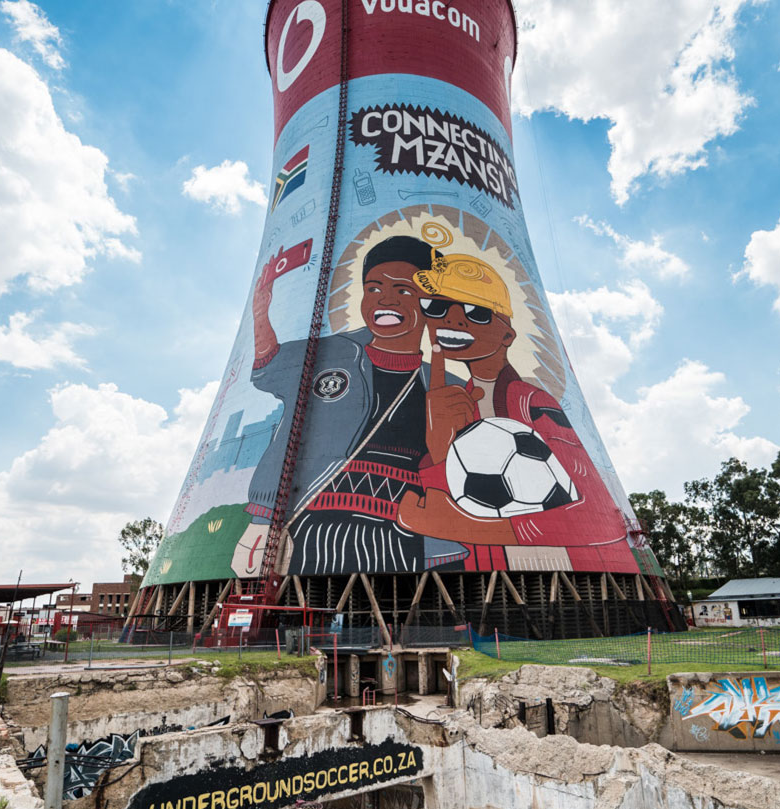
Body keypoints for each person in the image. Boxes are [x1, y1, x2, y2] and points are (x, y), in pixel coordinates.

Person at [393, 254, 641, 574]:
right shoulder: (454, 404)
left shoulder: (532, 403)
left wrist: (466, 528)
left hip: (553, 571)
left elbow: (598, 519)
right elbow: (452, 502)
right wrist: (439, 447)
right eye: (437, 308)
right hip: (484, 572)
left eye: (476, 312)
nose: (452, 321)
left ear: (508, 335)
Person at [238, 235, 442, 576]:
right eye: (374, 288)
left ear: (430, 302)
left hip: (402, 533)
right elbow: (269, 368)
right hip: (310, 521)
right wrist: (261, 313)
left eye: (404, 291)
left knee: (396, 606)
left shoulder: (442, 381)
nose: (386, 300)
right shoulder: (330, 354)